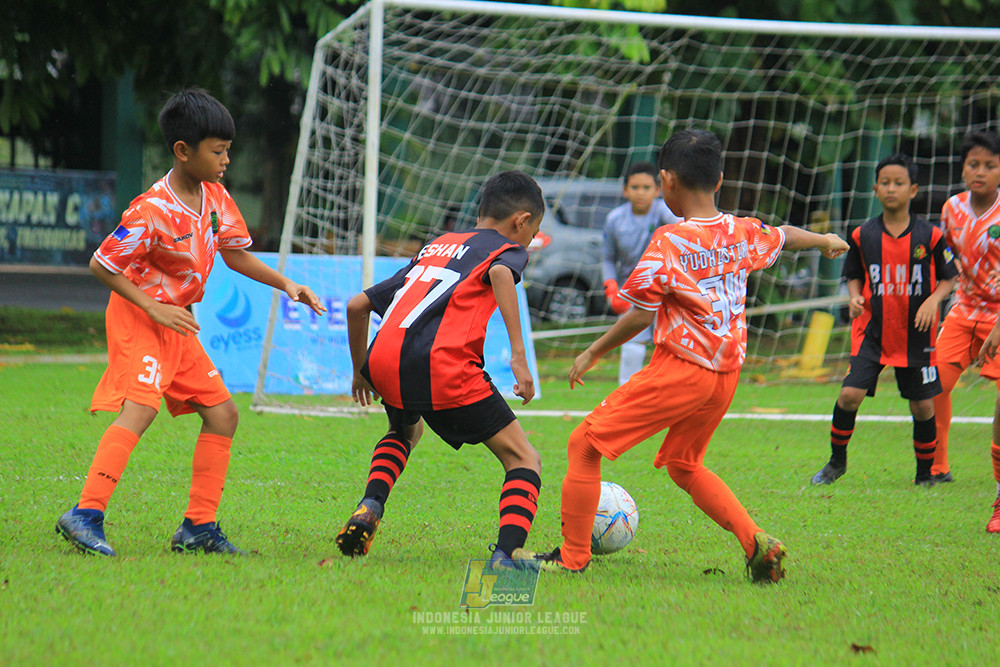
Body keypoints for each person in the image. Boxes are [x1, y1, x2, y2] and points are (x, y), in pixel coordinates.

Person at [533, 129, 848, 582]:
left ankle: (573, 556)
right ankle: (756, 542)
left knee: (584, 444)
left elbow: (641, 316)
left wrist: (593, 351)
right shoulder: (741, 231)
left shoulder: (669, 241)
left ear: (665, 180)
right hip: (726, 376)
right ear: (719, 181)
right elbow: (784, 236)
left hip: (683, 368)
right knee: (683, 464)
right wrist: (824, 240)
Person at [55, 88, 325, 557]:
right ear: (183, 151)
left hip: (176, 323)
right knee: (141, 409)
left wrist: (287, 284)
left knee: (223, 414)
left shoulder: (215, 197)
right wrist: (153, 306)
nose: (226, 161)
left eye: (228, 151)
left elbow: (235, 254)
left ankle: (198, 528)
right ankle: (85, 514)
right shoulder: (150, 209)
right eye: (218, 151)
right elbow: (102, 264)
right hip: (141, 317)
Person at [338, 171, 545, 570]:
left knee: (404, 432)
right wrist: (519, 356)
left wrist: (360, 370)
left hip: (386, 359)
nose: (530, 241)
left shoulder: (437, 245)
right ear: (520, 220)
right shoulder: (506, 249)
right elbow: (502, 273)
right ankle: (507, 557)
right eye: (533, 231)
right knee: (524, 459)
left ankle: (370, 505)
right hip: (444, 367)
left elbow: (355, 305)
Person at [810, 153, 957, 487]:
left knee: (922, 406)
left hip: (916, 334)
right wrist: (854, 296)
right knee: (849, 395)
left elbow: (950, 277)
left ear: (913, 190)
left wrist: (934, 300)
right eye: (886, 183)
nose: (892, 189)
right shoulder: (863, 235)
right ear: (875, 189)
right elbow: (854, 274)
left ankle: (924, 475)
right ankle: (836, 463)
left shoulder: (930, 236)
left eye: (899, 183)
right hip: (872, 333)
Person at [931, 130, 1000, 531]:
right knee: (935, 383)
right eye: (974, 164)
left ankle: (998, 494)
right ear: (963, 169)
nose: (980, 172)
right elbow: (947, 262)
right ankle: (938, 465)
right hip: (964, 311)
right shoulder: (952, 208)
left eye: (990, 165)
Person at [602, 162, 682, 385]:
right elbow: (608, 258)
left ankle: (670, 395)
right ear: (625, 190)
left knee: (671, 348)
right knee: (631, 349)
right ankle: (625, 397)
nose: (640, 193)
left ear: (657, 190)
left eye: (646, 187)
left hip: (668, 291)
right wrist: (611, 288)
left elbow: (684, 235)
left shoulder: (667, 214)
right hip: (633, 293)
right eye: (635, 187)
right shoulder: (614, 219)